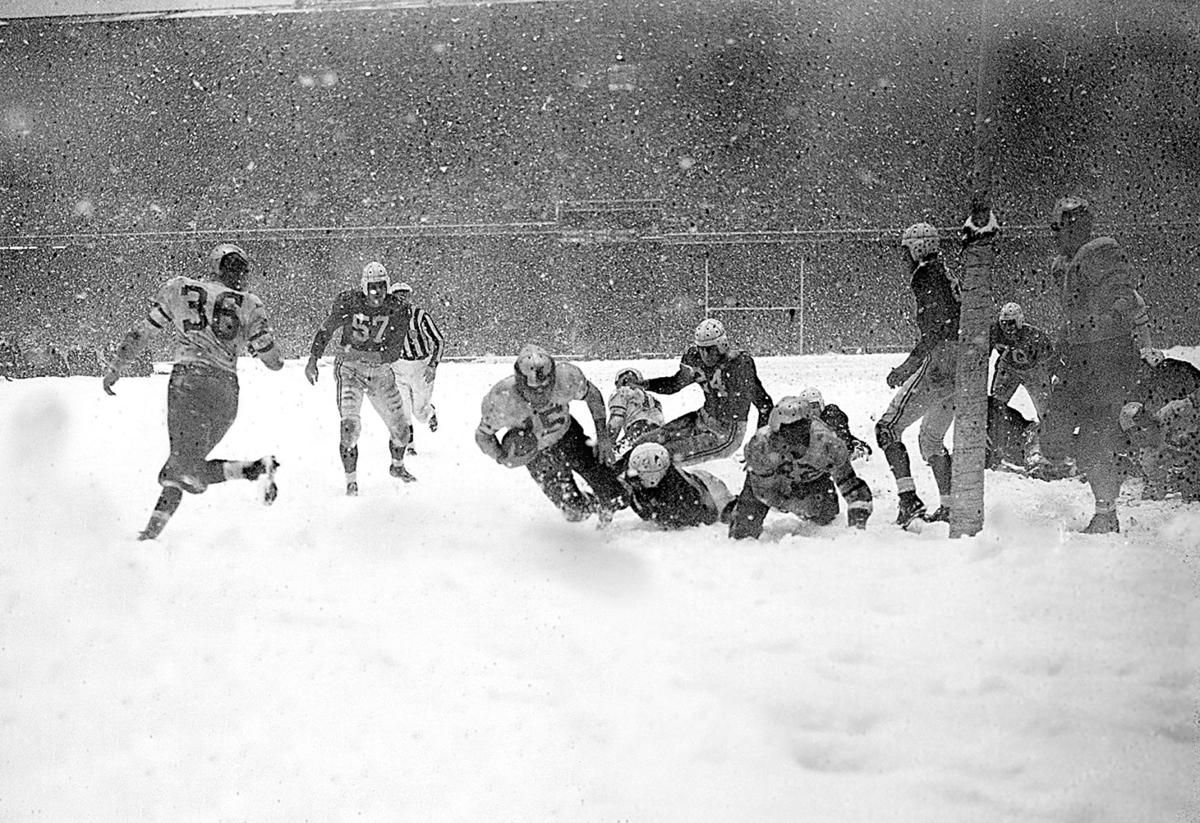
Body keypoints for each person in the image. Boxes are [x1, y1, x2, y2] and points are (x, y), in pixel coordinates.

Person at [101, 242, 283, 540]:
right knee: (188, 467)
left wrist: (117, 365)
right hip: (225, 391)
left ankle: (149, 537)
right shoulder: (250, 303)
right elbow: (274, 362)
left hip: (189, 381)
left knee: (182, 467)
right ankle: (251, 470)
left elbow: (143, 332)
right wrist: (251, 344)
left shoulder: (180, 288)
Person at [1031, 197, 1162, 533]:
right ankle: (1121, 442)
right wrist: (1062, 347)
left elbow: (1126, 298)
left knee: (1091, 442)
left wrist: (1107, 322)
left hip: (1106, 362)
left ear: (1073, 226)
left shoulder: (1099, 252)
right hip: (1080, 360)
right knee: (1054, 437)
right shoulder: (1069, 262)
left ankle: (1107, 509)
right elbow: (1073, 318)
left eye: (1060, 228)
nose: (1056, 236)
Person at [475, 344, 624, 524]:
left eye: (545, 388)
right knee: (575, 512)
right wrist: (501, 456)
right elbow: (483, 435)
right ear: (520, 383)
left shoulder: (566, 377)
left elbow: (592, 396)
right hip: (535, 455)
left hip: (569, 436)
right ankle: (590, 503)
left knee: (615, 495)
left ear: (553, 377)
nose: (540, 395)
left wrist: (603, 438)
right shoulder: (502, 399)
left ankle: (617, 493)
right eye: (532, 390)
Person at [875, 221, 961, 527]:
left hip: (942, 361)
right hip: (960, 365)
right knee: (931, 441)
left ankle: (908, 500)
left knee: (887, 429)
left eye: (905, 251)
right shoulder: (944, 271)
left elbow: (935, 330)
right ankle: (950, 506)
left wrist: (907, 367)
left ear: (917, 248)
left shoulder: (926, 275)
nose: (903, 259)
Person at [305, 261, 415, 495]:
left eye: (382, 287)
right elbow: (327, 329)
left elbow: (393, 353)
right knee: (350, 427)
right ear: (364, 287)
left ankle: (397, 466)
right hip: (350, 370)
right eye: (373, 287)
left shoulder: (398, 308)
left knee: (403, 431)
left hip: (380, 372)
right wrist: (313, 358)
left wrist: (362, 352)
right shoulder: (349, 302)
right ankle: (351, 482)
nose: (378, 293)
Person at [622, 318, 773, 467]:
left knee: (659, 456)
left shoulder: (738, 365)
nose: (704, 354)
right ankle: (616, 470)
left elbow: (764, 404)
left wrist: (759, 444)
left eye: (709, 349)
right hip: (701, 418)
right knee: (644, 443)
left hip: (725, 432)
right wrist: (645, 384)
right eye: (701, 349)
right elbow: (675, 384)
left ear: (722, 345)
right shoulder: (694, 358)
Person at [728, 396, 874, 539]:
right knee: (743, 532)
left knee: (826, 519)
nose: (788, 442)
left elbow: (854, 489)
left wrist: (857, 530)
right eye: (783, 434)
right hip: (772, 485)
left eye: (795, 433)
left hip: (812, 483)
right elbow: (763, 493)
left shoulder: (827, 445)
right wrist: (790, 501)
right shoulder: (761, 446)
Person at [1119, 354, 1200, 499]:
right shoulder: (1148, 456)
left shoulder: (1171, 412)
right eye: (1136, 433)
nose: (1142, 434)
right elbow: (1156, 488)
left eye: (1144, 425)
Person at [988, 301, 1059, 464]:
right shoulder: (995, 331)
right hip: (1009, 367)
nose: (1007, 328)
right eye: (1004, 324)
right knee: (996, 404)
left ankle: (1049, 451)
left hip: (1034, 370)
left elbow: (1050, 357)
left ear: (1019, 321)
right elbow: (985, 351)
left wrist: (1048, 377)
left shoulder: (1034, 335)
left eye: (1011, 323)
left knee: (1046, 411)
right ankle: (996, 447)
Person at [619, 442, 734, 530]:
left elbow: (703, 516)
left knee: (728, 514)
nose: (635, 478)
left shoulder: (679, 500)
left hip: (712, 492)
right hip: (698, 482)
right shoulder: (639, 481)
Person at [388, 280, 445, 454]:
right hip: (398, 367)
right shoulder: (387, 318)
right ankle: (409, 445)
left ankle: (430, 413)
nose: (401, 299)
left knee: (419, 412)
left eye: (404, 295)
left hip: (420, 366)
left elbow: (439, 341)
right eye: (397, 296)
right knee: (403, 409)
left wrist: (432, 365)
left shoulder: (420, 316)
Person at [791, 386, 872, 461]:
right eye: (807, 408)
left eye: (814, 406)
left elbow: (841, 443)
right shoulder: (800, 424)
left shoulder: (831, 416)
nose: (811, 411)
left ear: (821, 406)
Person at [607, 367, 664, 456]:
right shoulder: (652, 399)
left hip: (638, 431)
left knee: (616, 458)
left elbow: (616, 421)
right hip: (659, 435)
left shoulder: (622, 393)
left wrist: (607, 444)